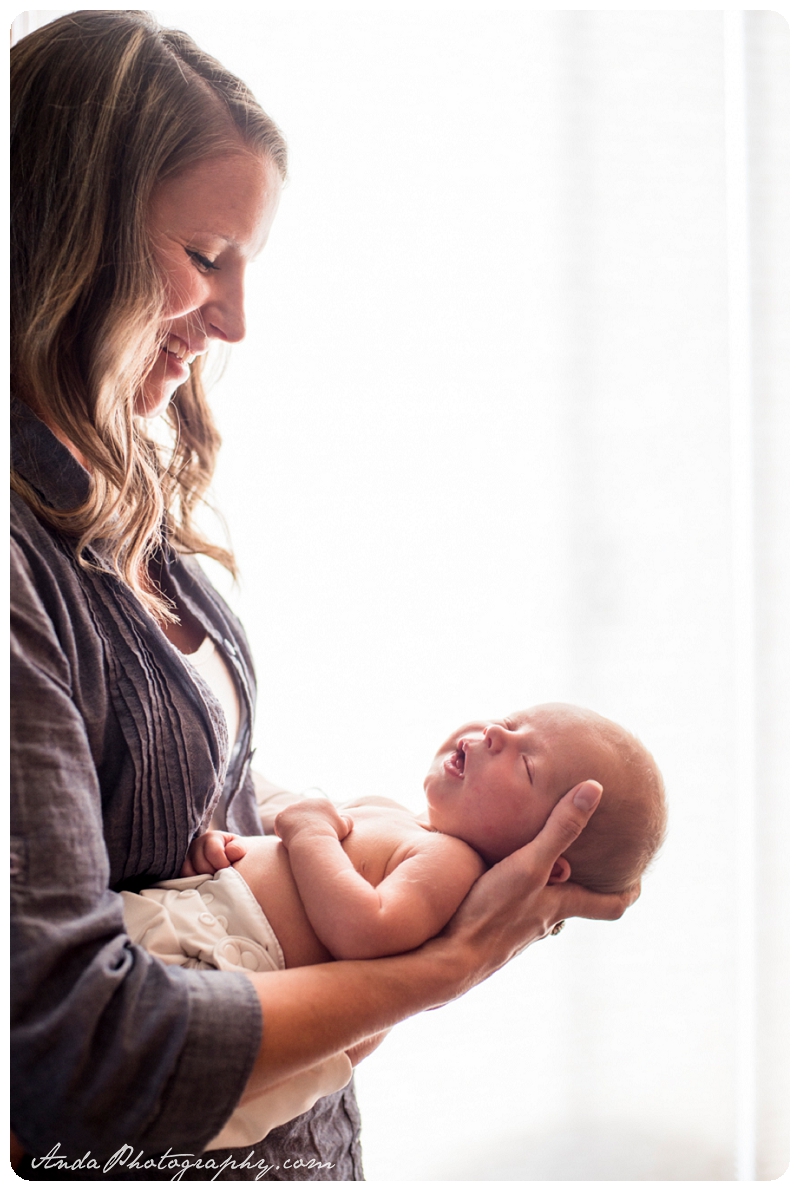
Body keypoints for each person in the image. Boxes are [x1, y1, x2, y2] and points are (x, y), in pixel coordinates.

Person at [11, 11, 639, 1181]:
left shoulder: (127, 493)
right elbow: (70, 1050)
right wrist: (441, 967)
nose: (235, 320)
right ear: (60, 234)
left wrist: (340, 831)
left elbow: (176, 791)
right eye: (206, 256)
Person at [120, 703, 666, 1149]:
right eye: (510, 720)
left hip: (217, 969)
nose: (495, 734)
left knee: (103, 1057)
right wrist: (226, 846)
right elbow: (270, 823)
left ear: (544, 862)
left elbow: (362, 930)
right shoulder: (398, 818)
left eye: (527, 765)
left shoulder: (450, 864)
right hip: (195, 930)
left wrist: (310, 834)